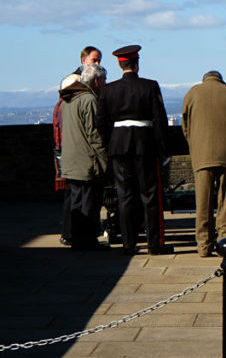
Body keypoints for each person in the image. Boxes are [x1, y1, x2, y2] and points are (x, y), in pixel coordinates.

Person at [98, 45, 173, 256]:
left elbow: (101, 123)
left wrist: (110, 144)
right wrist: (162, 147)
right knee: (150, 194)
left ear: (120, 64)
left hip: (119, 147)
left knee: (125, 196)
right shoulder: (149, 86)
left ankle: (128, 244)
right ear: (136, 63)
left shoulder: (108, 90)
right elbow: (160, 120)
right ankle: (154, 243)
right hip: (145, 145)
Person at [182, 71, 226, 257]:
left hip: (202, 156)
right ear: (221, 80)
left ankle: (204, 246)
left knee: (203, 203)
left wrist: (195, 144)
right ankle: (225, 242)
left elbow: (185, 125)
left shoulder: (192, 93)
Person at [60, 64, 109, 251]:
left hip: (71, 161)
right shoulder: (89, 100)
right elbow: (95, 135)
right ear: (96, 81)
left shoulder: (68, 100)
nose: (105, 84)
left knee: (77, 203)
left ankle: (78, 240)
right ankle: (88, 241)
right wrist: (104, 161)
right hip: (86, 162)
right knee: (89, 203)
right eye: (103, 80)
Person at [52, 73, 81, 246]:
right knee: (72, 195)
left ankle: (69, 233)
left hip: (64, 152)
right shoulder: (66, 105)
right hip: (68, 153)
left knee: (71, 195)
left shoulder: (61, 105)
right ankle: (69, 233)